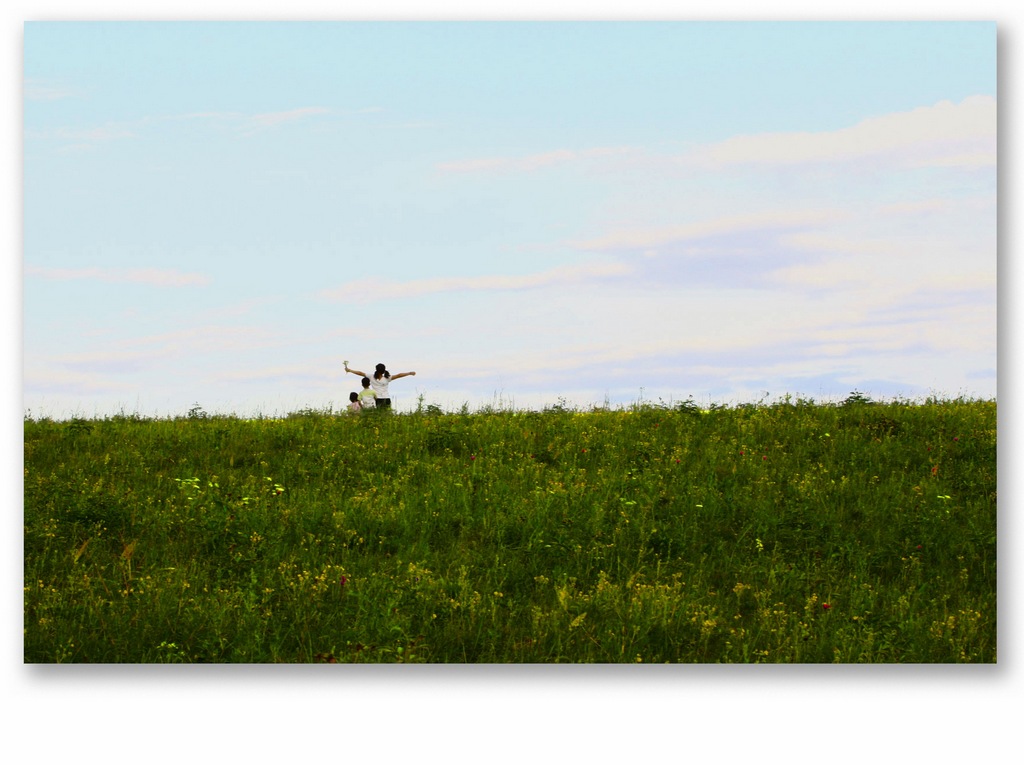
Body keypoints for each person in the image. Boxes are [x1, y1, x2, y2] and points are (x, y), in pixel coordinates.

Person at [344, 361, 416, 410]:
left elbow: (360, 373)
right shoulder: (387, 378)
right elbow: (399, 375)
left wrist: (350, 370)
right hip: (386, 398)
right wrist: (409, 373)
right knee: (387, 415)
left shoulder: (371, 377)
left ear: (376, 370)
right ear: (384, 371)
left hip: (378, 399)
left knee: (379, 414)